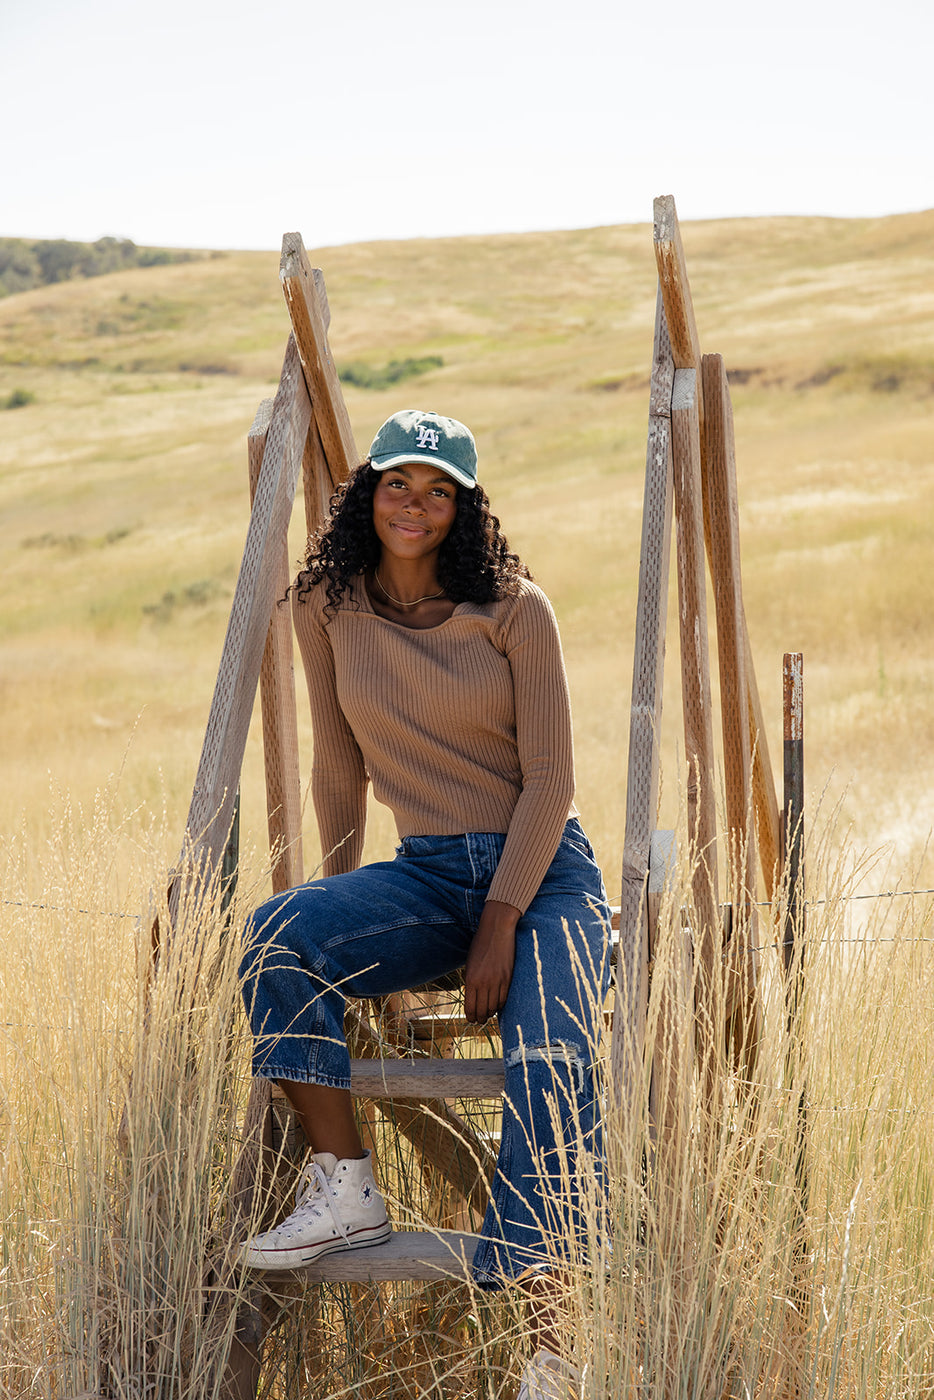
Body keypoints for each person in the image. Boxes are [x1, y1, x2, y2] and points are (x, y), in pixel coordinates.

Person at [238, 409, 611, 1392]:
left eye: (439, 488)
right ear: (369, 491)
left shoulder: (515, 610)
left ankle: (550, 1347)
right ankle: (344, 1185)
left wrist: (501, 921)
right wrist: (340, 892)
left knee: (547, 1055)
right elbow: (336, 759)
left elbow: (551, 780)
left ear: (463, 507)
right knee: (278, 936)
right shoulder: (325, 603)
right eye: (399, 482)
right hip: (430, 871)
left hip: (545, 872)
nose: (416, 503)